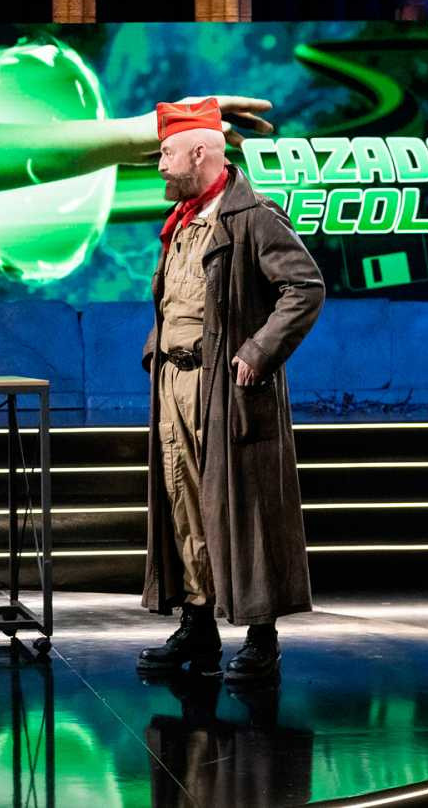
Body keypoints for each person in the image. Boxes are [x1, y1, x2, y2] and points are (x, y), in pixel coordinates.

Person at [137, 98, 325, 684]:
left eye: (167, 154)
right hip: (176, 382)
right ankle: (198, 622)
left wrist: (258, 350)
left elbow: (304, 287)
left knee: (244, 508)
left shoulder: (253, 217)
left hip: (225, 387)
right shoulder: (183, 222)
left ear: (200, 153)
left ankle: (261, 635)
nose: (160, 165)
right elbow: (180, 297)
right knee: (184, 499)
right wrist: (157, 344)